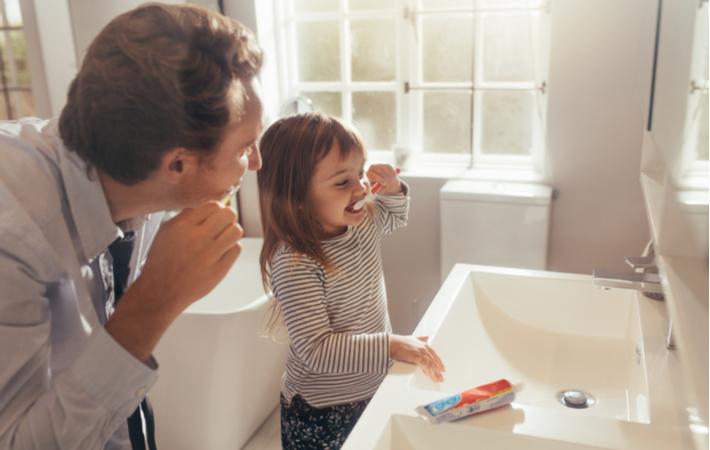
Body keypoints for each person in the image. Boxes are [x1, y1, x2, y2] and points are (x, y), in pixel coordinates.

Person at [0, 4, 264, 449]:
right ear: (177, 164)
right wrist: (155, 301)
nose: (255, 162)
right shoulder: (14, 233)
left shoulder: (135, 176)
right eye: (245, 147)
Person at [257, 112, 446, 450]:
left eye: (360, 173)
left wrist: (393, 187)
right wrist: (391, 345)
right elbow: (316, 350)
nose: (361, 188)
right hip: (322, 410)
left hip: (370, 386)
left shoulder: (362, 222)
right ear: (296, 196)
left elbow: (394, 214)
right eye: (343, 182)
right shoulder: (297, 263)